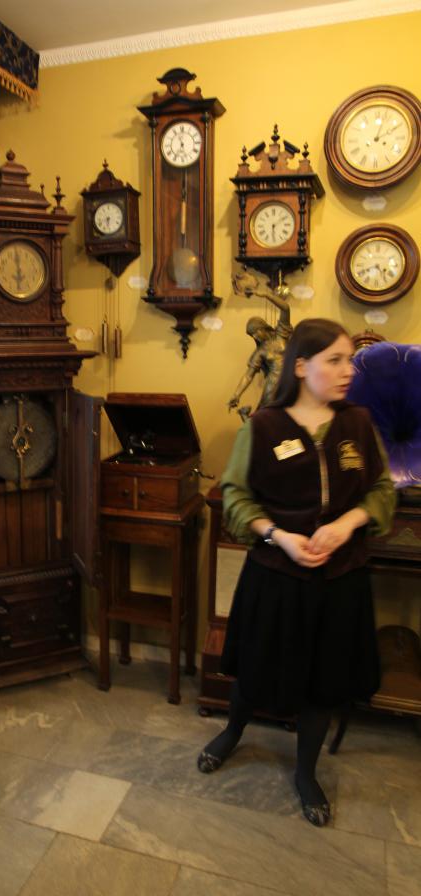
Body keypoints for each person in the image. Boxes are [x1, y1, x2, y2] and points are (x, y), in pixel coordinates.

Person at [197, 318, 395, 828]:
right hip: (276, 577)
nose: (348, 371)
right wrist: (279, 536)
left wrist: (348, 523)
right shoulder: (263, 426)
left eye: (349, 361)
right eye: (336, 360)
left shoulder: (358, 424)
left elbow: (380, 490)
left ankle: (306, 773)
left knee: (324, 681)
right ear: (301, 367)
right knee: (255, 667)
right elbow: (236, 497)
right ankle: (232, 732)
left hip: (341, 578)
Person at [228, 275, 293, 420]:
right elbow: (248, 375)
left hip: (292, 381)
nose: (255, 337)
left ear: (262, 328)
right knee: (266, 417)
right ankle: (246, 418)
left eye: (256, 332)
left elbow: (285, 308)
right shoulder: (260, 351)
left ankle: (246, 417)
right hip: (273, 386)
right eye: (252, 335)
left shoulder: (281, 334)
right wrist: (236, 394)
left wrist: (266, 295)